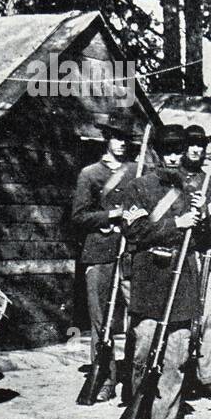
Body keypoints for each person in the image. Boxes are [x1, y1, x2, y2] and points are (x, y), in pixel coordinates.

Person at [119, 125, 211, 419]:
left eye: (177, 151)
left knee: (177, 351)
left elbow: (204, 241)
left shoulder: (195, 191)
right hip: (150, 275)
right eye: (167, 151)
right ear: (157, 153)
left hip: (184, 277)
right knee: (145, 347)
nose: (173, 157)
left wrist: (209, 219)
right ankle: (141, 405)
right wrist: (175, 224)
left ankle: (165, 418)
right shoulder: (138, 187)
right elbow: (133, 232)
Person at [71, 118, 135, 402]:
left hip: (132, 252)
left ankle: (135, 379)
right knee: (102, 321)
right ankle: (105, 379)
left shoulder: (136, 170)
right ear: (107, 139)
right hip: (99, 252)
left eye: (125, 138)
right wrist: (112, 215)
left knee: (137, 316)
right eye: (117, 137)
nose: (122, 143)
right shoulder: (90, 174)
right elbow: (79, 217)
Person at [179, 124, 211, 400]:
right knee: (185, 318)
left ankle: (207, 376)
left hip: (209, 255)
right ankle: (181, 373)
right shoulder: (173, 179)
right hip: (183, 257)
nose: (196, 149)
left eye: (201, 144)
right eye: (191, 144)